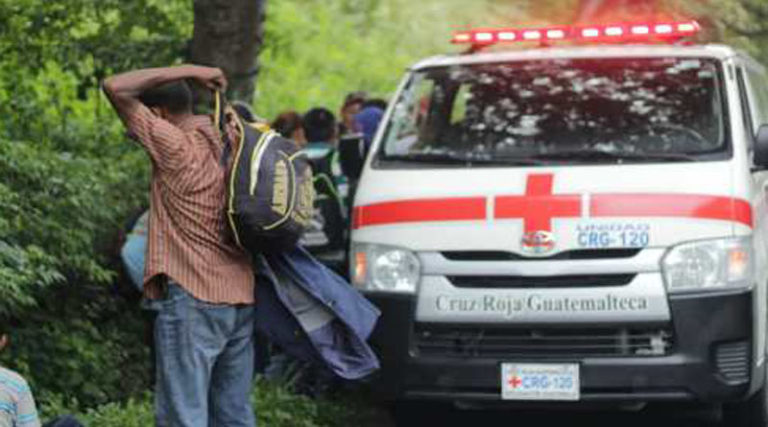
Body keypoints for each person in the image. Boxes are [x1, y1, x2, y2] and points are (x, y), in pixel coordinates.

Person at [103, 65, 256, 427]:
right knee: (233, 415)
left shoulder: (174, 145)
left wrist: (190, 70)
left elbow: (114, 87)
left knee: (183, 415)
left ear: (158, 114)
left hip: (194, 297)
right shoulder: (225, 142)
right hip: (241, 296)